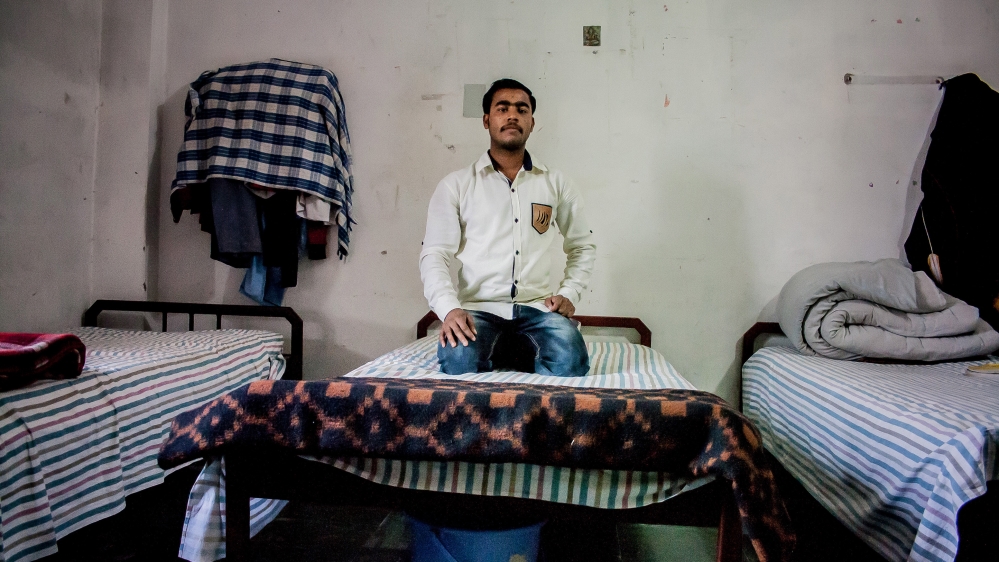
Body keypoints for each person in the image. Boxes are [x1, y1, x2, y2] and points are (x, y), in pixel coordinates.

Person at [419, 78, 596, 377]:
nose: (512, 115)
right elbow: (434, 254)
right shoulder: (457, 185)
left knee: (570, 360)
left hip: (538, 310)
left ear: (532, 122)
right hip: (478, 309)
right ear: (487, 120)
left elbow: (582, 245)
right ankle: (503, 348)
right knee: (459, 360)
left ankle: (509, 349)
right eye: (502, 108)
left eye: (521, 109)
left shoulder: (556, 183)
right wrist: (449, 309)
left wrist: (570, 292)